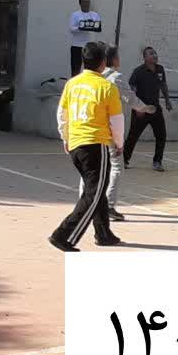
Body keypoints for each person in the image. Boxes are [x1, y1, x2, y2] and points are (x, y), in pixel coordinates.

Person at [49, 41, 125, 252]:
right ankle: (63, 235)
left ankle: (104, 233)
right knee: (93, 194)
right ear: (103, 62)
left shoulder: (72, 84)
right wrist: (119, 143)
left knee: (96, 190)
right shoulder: (107, 87)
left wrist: (66, 137)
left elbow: (62, 114)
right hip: (95, 145)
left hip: (76, 144)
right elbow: (117, 121)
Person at [81, 46, 156, 221]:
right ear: (112, 60)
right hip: (106, 131)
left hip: (86, 128)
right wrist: (145, 108)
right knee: (115, 166)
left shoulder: (87, 77)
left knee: (89, 168)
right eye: (118, 56)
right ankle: (108, 206)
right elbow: (130, 98)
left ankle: (84, 204)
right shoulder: (115, 78)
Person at [124, 47, 174, 171]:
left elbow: (163, 85)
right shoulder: (138, 72)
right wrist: (137, 108)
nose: (155, 55)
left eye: (155, 53)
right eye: (151, 54)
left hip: (155, 109)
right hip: (141, 109)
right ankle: (124, 160)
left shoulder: (160, 69)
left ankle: (157, 162)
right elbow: (131, 91)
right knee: (133, 136)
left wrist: (167, 101)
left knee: (161, 135)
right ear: (145, 57)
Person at [67, 0, 101, 77]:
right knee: (75, 69)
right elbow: (71, 29)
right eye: (84, 2)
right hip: (77, 46)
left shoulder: (95, 15)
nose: (86, 4)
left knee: (91, 70)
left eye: (88, 2)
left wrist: (88, 26)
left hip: (90, 46)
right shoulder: (75, 15)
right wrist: (81, 27)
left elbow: (98, 27)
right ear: (80, 3)